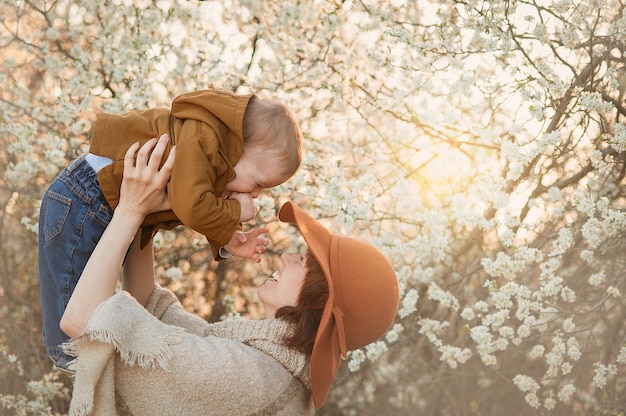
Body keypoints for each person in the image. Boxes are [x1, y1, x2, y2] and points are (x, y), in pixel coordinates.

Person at [59, 139, 399, 414]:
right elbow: (151, 309)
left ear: (318, 298)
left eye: (306, 262)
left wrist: (131, 209)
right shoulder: (267, 367)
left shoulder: (252, 379)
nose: (287, 256)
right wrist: (158, 209)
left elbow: (86, 320)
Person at [39, 89, 302, 370]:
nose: (256, 194)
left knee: (88, 322)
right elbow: (191, 205)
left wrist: (228, 239)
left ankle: (74, 361)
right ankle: (69, 359)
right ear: (239, 147)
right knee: (74, 340)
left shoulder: (215, 157)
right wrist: (236, 212)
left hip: (101, 203)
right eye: (259, 184)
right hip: (86, 197)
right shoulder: (203, 139)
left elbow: (198, 205)